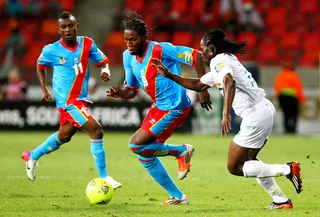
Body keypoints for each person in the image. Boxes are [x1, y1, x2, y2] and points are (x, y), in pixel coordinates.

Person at [152, 28, 303, 209]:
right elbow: (199, 84)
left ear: (213, 49)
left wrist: (225, 114)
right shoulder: (225, 59)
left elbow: (229, 82)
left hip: (255, 115)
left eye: (204, 50)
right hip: (263, 110)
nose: (203, 54)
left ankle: (287, 169)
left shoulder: (218, 61)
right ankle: (281, 200)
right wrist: (169, 75)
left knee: (234, 167)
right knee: (250, 161)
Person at [106, 12, 212, 205]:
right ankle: (179, 197)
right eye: (126, 39)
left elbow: (196, 56)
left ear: (145, 38)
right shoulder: (127, 57)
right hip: (159, 108)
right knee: (144, 154)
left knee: (135, 144)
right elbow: (132, 90)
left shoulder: (161, 50)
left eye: (134, 39)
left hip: (175, 107)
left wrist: (202, 88)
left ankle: (181, 151)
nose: (129, 43)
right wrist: (120, 92)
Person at [21, 11, 121, 189]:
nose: (68, 30)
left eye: (70, 26)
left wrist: (106, 70)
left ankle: (32, 156)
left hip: (81, 100)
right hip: (69, 102)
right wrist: (44, 89)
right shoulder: (51, 50)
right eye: (63, 27)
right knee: (96, 130)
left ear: (76, 27)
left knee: (64, 136)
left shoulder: (87, 43)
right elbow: (40, 65)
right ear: (59, 30)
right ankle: (105, 176)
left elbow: (103, 61)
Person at [274, 61, 305, 134]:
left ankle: (286, 130)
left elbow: (277, 88)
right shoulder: (294, 76)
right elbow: (298, 88)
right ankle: (293, 130)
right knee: (294, 115)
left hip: (283, 98)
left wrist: (279, 97)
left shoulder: (280, 76)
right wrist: (301, 99)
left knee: (285, 114)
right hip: (293, 98)